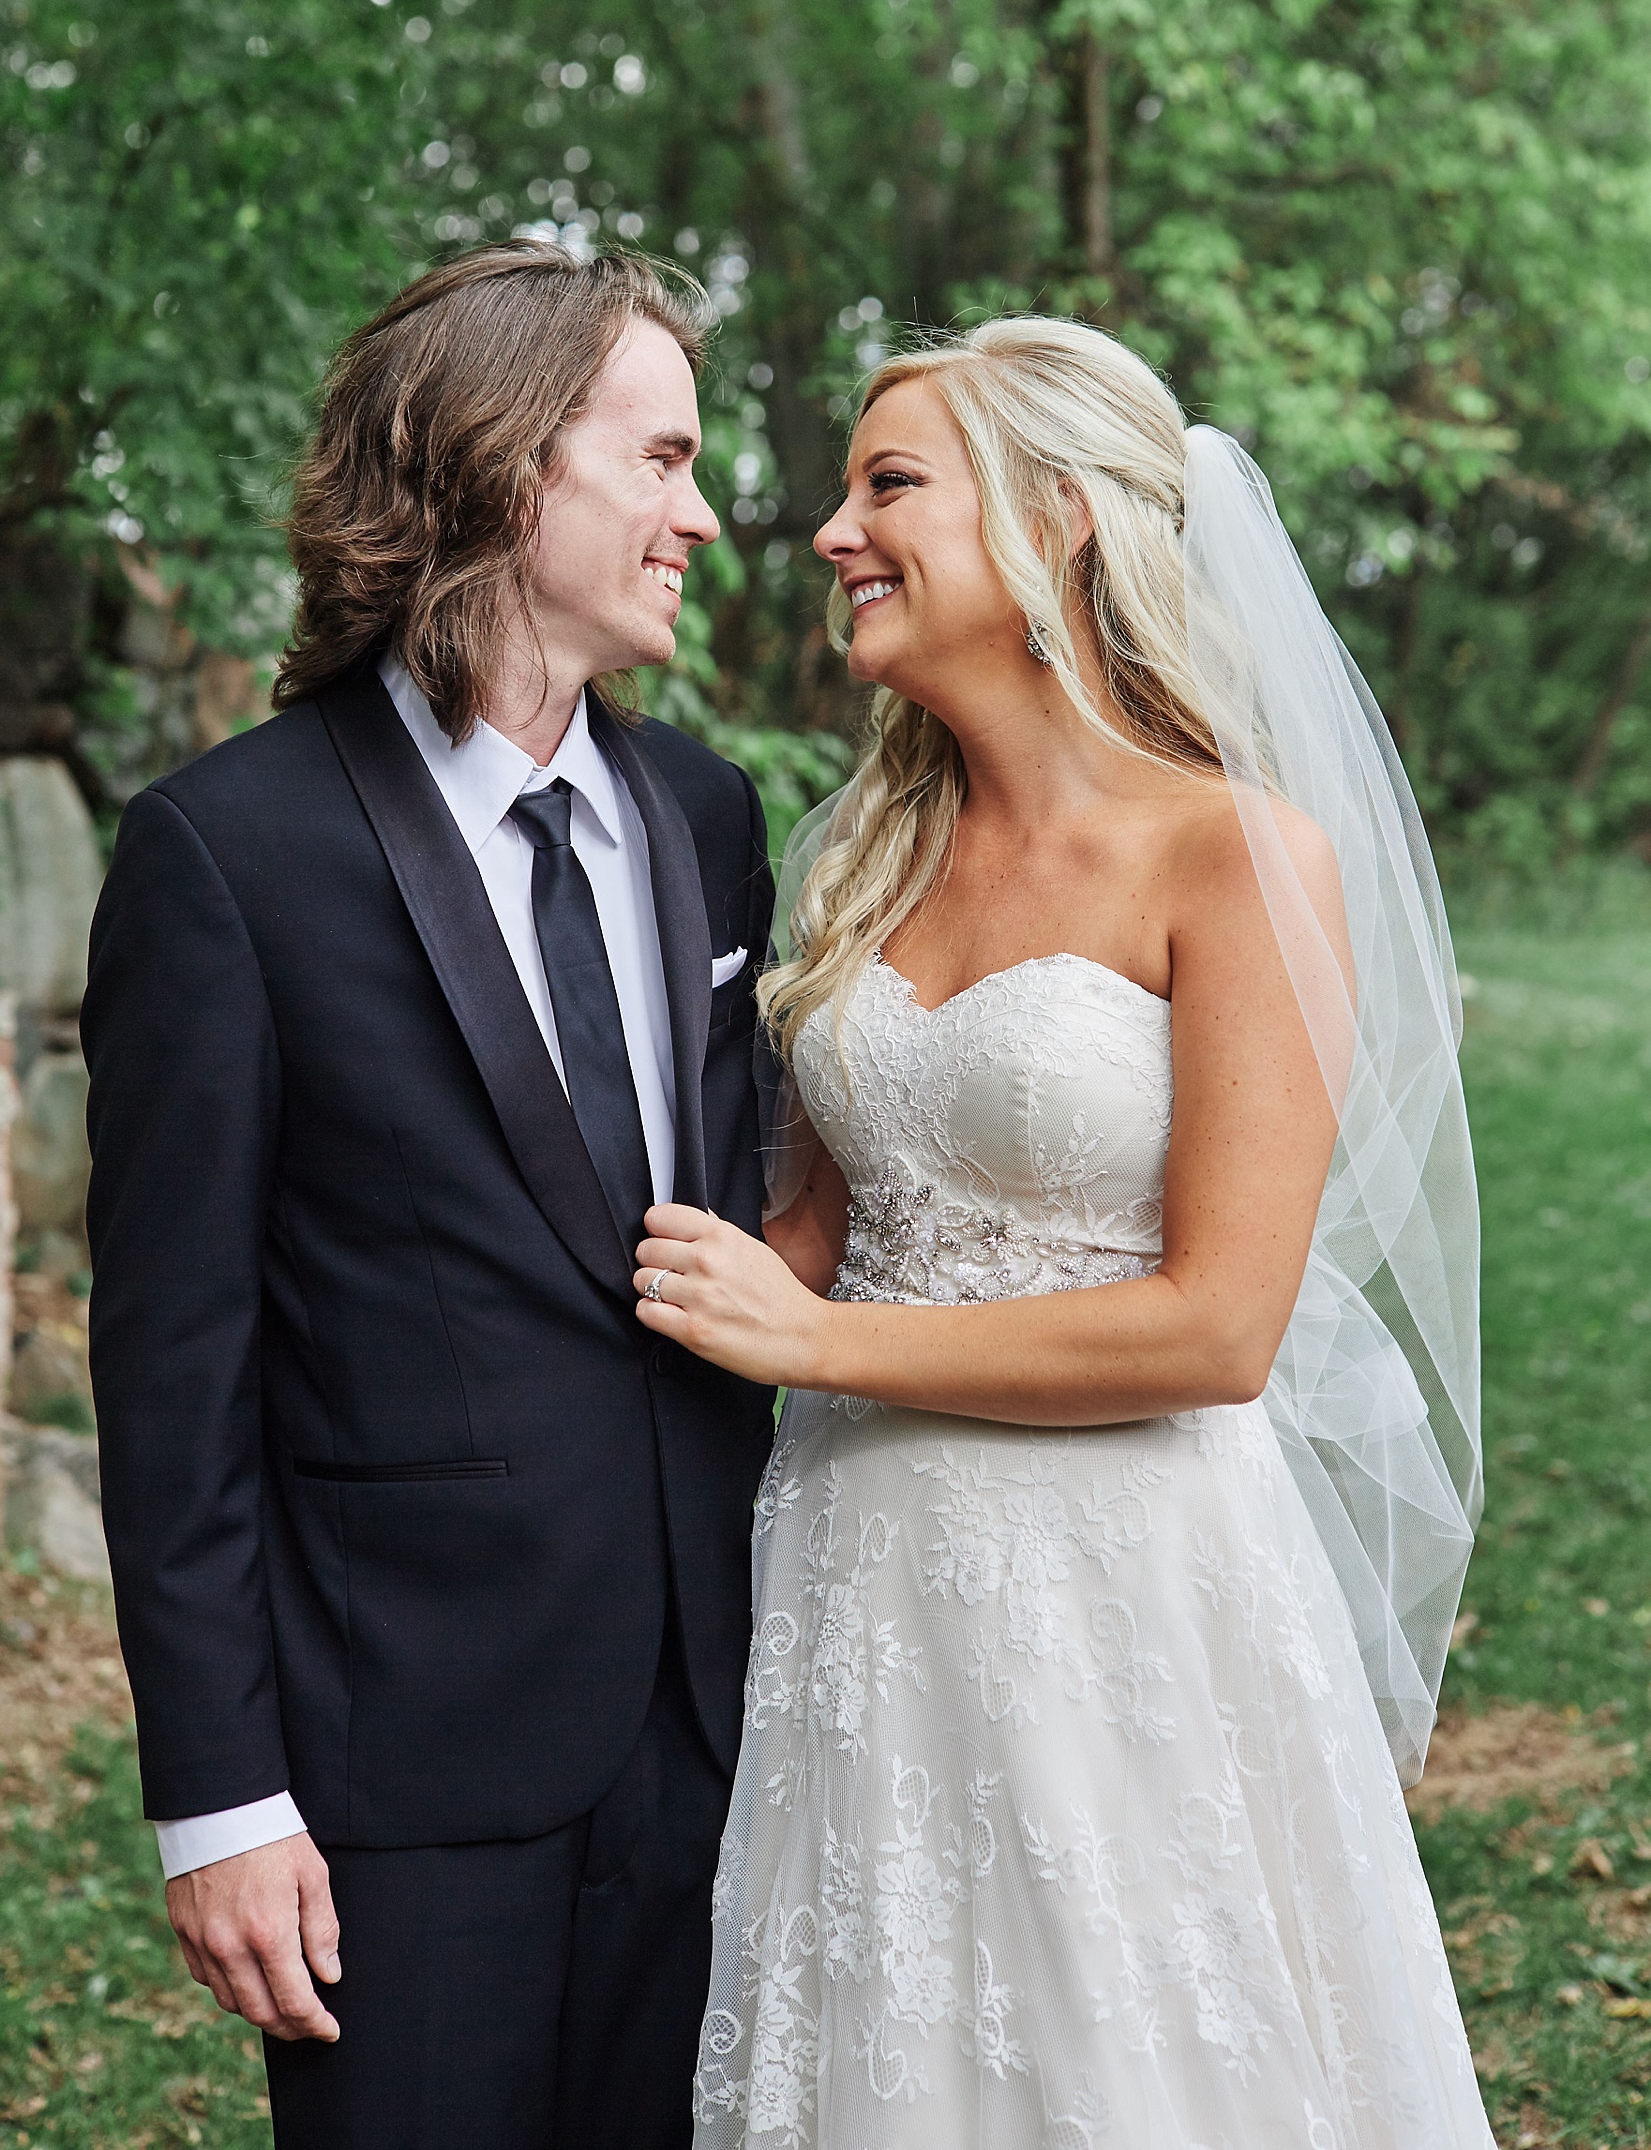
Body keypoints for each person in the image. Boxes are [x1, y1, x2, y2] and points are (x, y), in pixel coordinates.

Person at [629, 317, 1495, 2146]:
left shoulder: (1240, 855)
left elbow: (1216, 1329)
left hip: (1131, 1581)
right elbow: (807, 1237)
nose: (830, 531)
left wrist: (824, 1347)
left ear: (1059, 521)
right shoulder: (855, 851)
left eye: (890, 484)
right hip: (861, 1572)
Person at [82, 242, 777, 2150]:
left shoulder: (711, 821)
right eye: (659, 460)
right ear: (504, 461)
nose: (700, 517)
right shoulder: (229, 856)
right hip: (403, 1764)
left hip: (718, 1726)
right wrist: (223, 1802)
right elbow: (172, 1373)